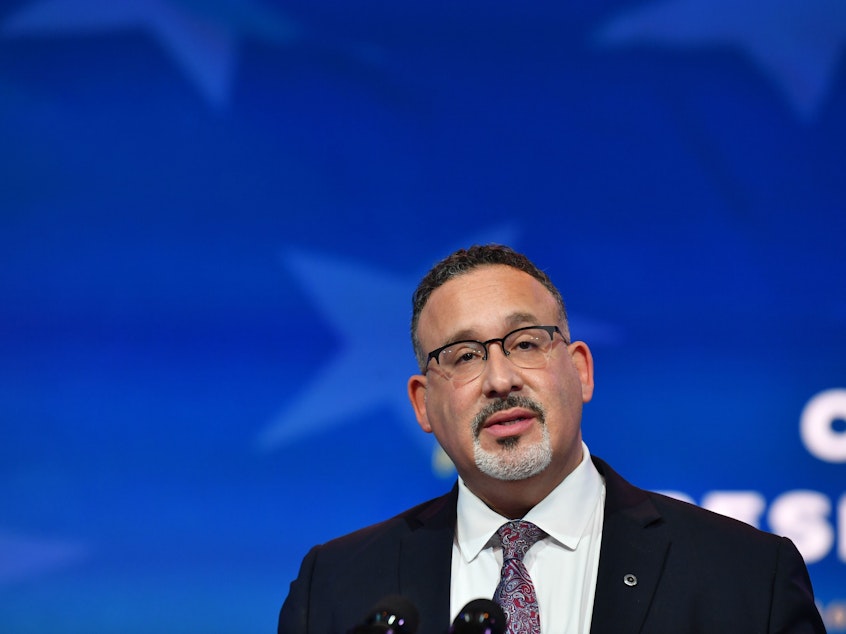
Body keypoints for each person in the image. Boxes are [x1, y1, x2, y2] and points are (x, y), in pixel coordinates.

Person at [278, 244, 825, 634]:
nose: (499, 379)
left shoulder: (746, 576)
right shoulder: (336, 587)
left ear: (581, 370)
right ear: (423, 403)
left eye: (525, 343)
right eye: (465, 356)